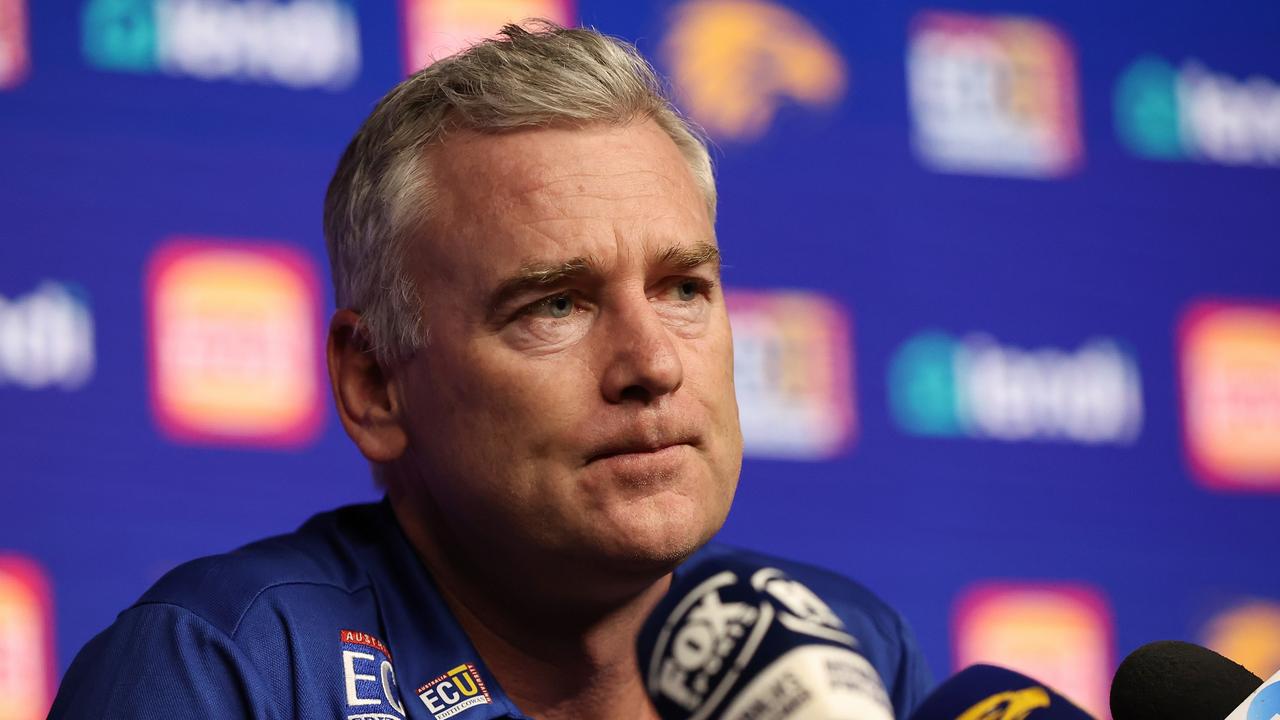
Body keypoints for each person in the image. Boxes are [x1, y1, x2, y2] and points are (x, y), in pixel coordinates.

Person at [50, 22, 931, 720]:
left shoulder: (844, 649)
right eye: (556, 305)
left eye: (683, 288)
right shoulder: (225, 672)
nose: (653, 364)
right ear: (375, 385)